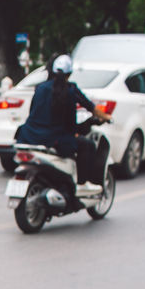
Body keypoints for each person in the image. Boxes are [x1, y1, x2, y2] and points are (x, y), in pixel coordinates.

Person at [14, 54, 113, 192]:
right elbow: (86, 111)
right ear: (70, 73)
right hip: (53, 138)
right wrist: (107, 117)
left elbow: (33, 113)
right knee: (87, 145)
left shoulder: (40, 88)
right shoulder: (70, 90)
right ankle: (82, 183)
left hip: (29, 135)